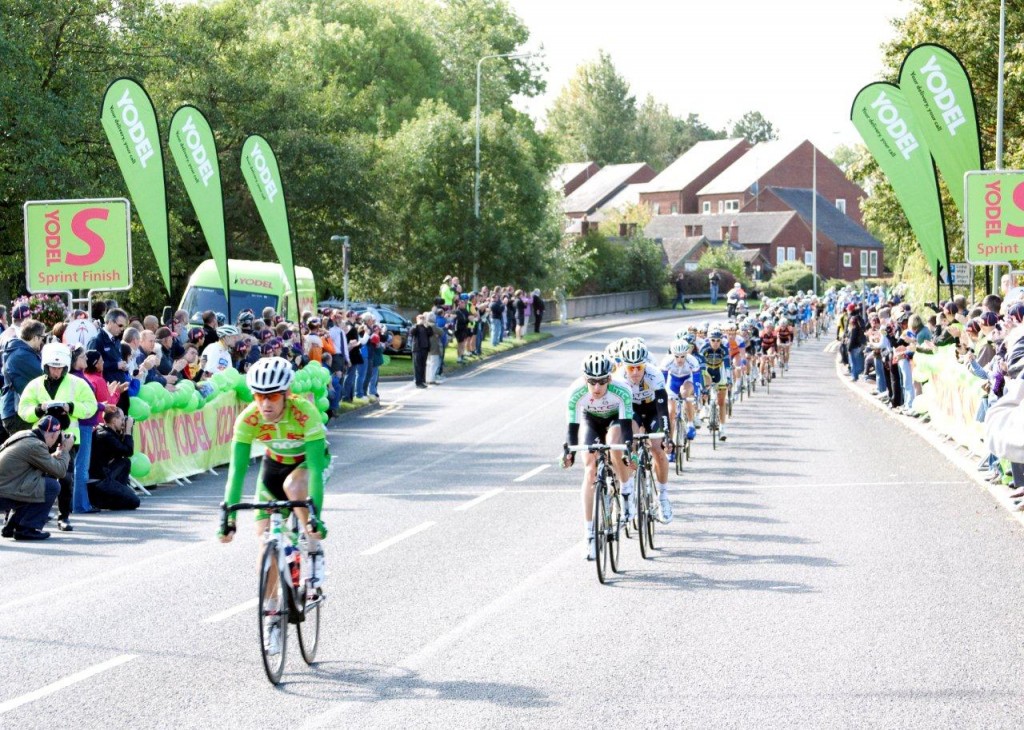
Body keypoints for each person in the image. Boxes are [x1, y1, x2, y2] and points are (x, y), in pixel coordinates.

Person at [219, 357, 328, 656]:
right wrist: (227, 517)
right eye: (259, 396)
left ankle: (312, 548)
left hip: (307, 464)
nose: (265, 403)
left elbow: (317, 471)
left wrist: (314, 516)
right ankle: (271, 618)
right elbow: (237, 472)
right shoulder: (249, 419)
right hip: (274, 467)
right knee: (265, 540)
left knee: (295, 488)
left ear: (287, 393)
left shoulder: (305, 413)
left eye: (273, 396)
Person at [560, 352, 634, 560]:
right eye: (592, 382)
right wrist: (570, 453)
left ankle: (626, 492)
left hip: (614, 420)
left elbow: (627, 429)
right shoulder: (576, 392)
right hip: (590, 420)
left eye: (602, 382)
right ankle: (589, 534)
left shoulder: (622, 390)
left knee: (613, 446)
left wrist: (629, 450)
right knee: (590, 468)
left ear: (609, 378)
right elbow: (572, 429)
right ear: (585, 379)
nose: (597, 387)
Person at [18, 342, 98, 531]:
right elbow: (23, 410)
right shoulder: (35, 385)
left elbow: (91, 406)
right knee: (38, 478)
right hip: (41, 439)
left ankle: (64, 517)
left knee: (65, 478)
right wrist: (39, 409)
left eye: (60, 367)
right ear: (46, 366)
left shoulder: (77, 383)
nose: (56, 371)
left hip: (67, 438)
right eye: (53, 367)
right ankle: (39, 514)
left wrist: (71, 407)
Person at [618, 340, 673, 523]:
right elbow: (623, 414)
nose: (634, 372)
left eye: (639, 367)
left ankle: (663, 498)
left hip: (652, 410)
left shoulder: (654, 374)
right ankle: (631, 485)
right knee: (630, 440)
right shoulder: (619, 378)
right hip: (631, 409)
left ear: (645, 364)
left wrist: (667, 435)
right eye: (630, 368)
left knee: (657, 449)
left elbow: (662, 408)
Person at [0, 415, 70, 540]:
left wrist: (53, 455)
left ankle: (12, 527)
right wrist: (65, 451)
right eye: (58, 436)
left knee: (33, 482)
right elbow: (60, 472)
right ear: (53, 435)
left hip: (5, 487)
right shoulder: (36, 445)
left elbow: (31, 462)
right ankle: (27, 529)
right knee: (51, 486)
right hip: (4, 493)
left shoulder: (24, 435)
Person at [1, 318, 46, 441]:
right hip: (16, 412)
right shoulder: (22, 355)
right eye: (42, 338)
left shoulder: (20, 351)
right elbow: (45, 373)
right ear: (35, 337)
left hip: (15, 411)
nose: (42, 342)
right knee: (27, 453)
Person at [88, 407, 141, 510]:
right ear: (114, 420)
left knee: (124, 462)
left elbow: (123, 454)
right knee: (135, 501)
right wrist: (128, 430)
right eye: (122, 419)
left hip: (104, 474)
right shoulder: (104, 435)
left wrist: (125, 431)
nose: (123, 422)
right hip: (99, 482)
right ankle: (102, 502)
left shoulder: (106, 430)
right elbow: (128, 451)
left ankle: (119, 496)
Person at [409, 314, 432, 388]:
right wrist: (417, 324)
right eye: (421, 318)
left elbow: (430, 333)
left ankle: (422, 380)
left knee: (423, 365)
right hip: (417, 348)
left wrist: (427, 326)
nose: (422, 320)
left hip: (425, 348)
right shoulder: (415, 326)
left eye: (423, 318)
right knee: (417, 366)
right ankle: (418, 382)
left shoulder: (425, 327)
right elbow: (412, 332)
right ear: (417, 319)